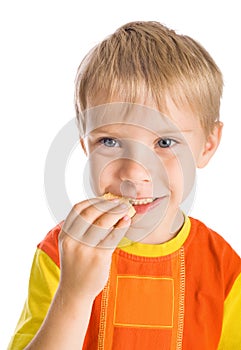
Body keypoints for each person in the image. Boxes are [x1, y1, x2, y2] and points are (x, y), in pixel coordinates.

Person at [8, 21, 241, 350]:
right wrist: (74, 294)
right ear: (86, 145)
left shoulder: (226, 270)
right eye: (110, 141)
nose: (134, 172)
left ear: (207, 145)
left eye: (164, 142)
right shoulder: (62, 252)